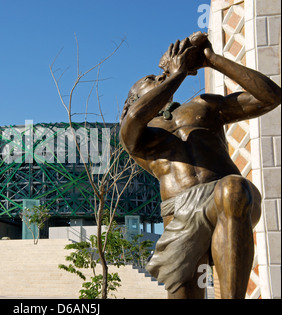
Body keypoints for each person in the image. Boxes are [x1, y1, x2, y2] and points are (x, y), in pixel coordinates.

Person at [119, 32, 281, 299]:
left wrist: (211, 60)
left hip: (222, 194)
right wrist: (176, 74)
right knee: (186, 293)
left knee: (233, 189)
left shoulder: (204, 105)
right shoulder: (137, 132)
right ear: (134, 98)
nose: (158, 77)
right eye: (149, 79)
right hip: (178, 212)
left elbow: (270, 97)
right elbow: (137, 114)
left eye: (157, 75)